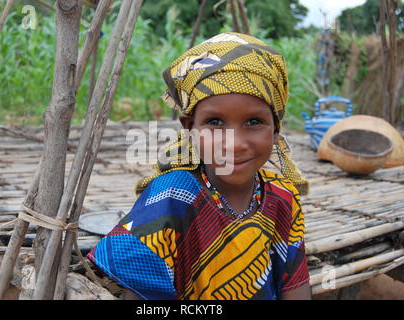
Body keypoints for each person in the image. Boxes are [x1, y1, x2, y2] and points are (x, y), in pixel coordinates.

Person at [87, 32, 311, 300]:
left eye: (254, 122)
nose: (235, 144)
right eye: (215, 123)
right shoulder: (172, 197)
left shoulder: (283, 197)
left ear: (276, 130)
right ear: (190, 128)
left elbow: (294, 286)